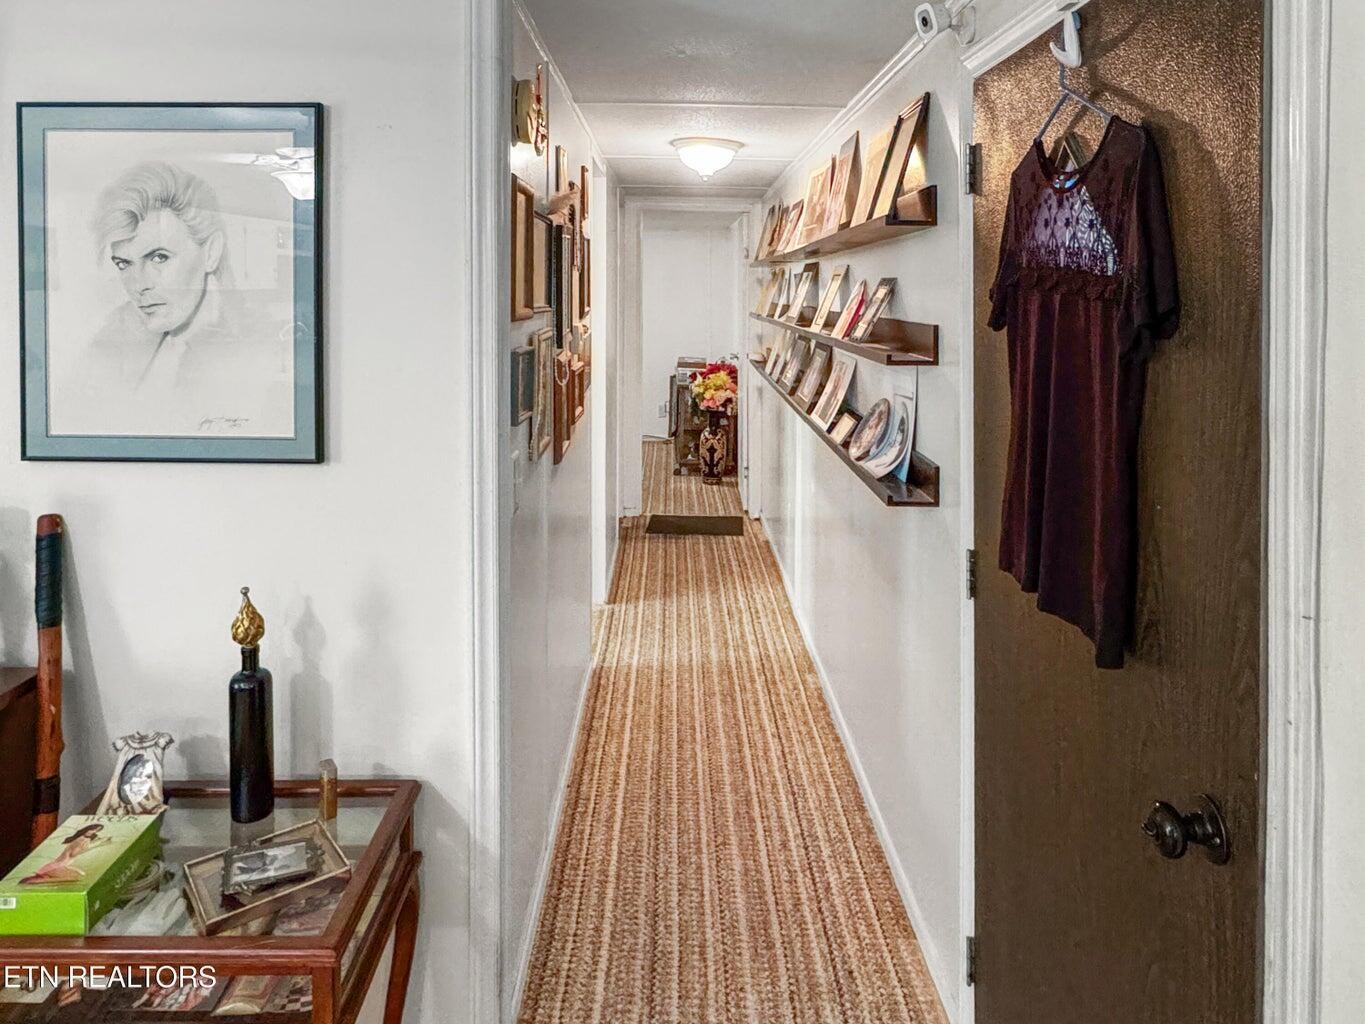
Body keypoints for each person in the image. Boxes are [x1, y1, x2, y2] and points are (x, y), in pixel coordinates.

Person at [63, 161, 292, 437]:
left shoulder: (265, 350)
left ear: (211, 253)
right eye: (124, 264)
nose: (138, 286)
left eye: (159, 257)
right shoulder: (109, 343)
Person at [20, 824, 110, 885]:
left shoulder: (81, 839)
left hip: (56, 865)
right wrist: (97, 845)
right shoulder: (82, 840)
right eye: (93, 829)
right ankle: (41, 880)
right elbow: (73, 854)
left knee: (80, 876)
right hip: (57, 866)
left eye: (96, 831)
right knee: (78, 878)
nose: (94, 832)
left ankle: (40, 879)